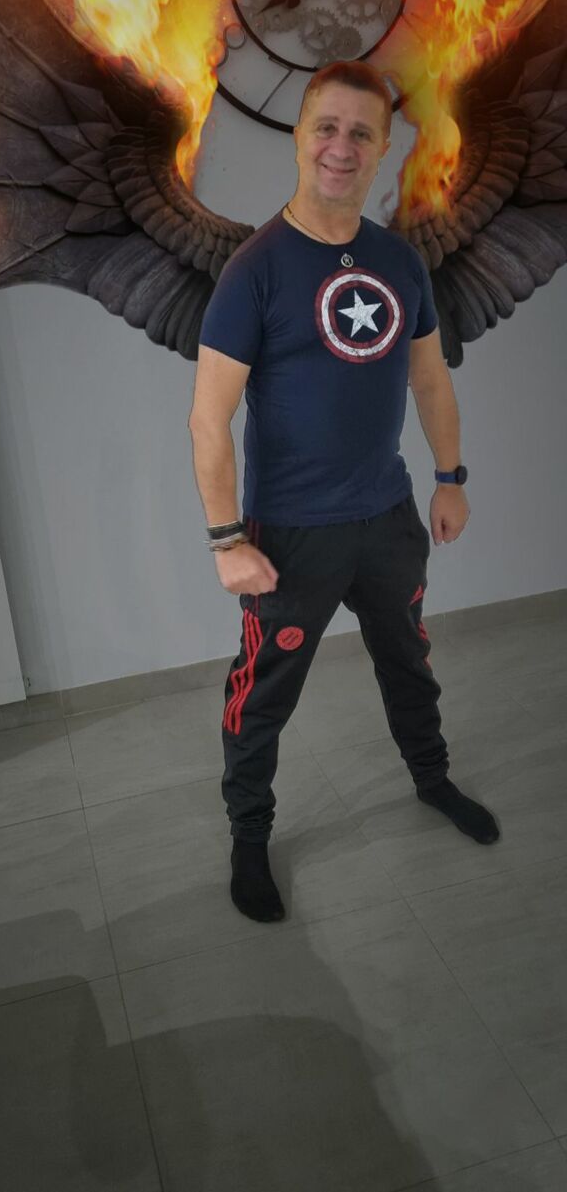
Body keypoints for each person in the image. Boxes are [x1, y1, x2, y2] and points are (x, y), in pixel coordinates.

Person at [188, 60, 499, 924]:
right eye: (326, 126)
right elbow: (208, 419)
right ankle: (250, 836)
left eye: (361, 132)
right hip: (291, 535)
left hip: (387, 519)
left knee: (410, 662)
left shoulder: (399, 261)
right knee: (263, 694)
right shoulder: (255, 269)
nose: (341, 146)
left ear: (384, 148)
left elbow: (430, 380)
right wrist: (225, 538)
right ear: (299, 136)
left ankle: (432, 778)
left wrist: (450, 478)